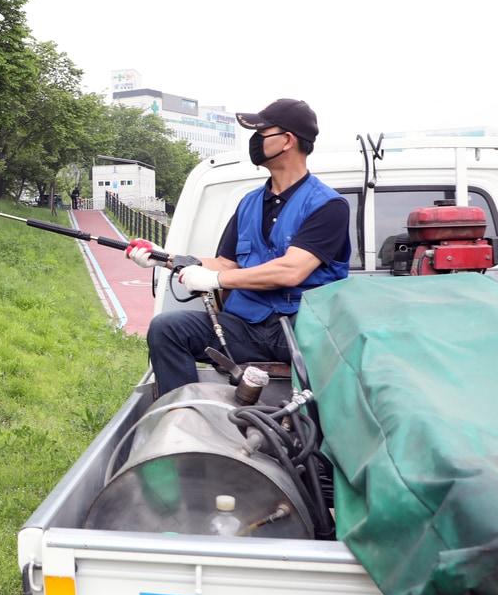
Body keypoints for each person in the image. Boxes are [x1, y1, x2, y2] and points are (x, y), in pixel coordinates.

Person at [124, 98, 351, 396]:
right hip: (246, 327)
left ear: (287, 140)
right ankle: (185, 418)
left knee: (322, 352)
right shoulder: (249, 203)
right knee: (168, 328)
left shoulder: (328, 206)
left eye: (261, 133)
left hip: (302, 331)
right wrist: (164, 258)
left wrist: (216, 280)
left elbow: (291, 271)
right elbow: (226, 263)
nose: (254, 141)